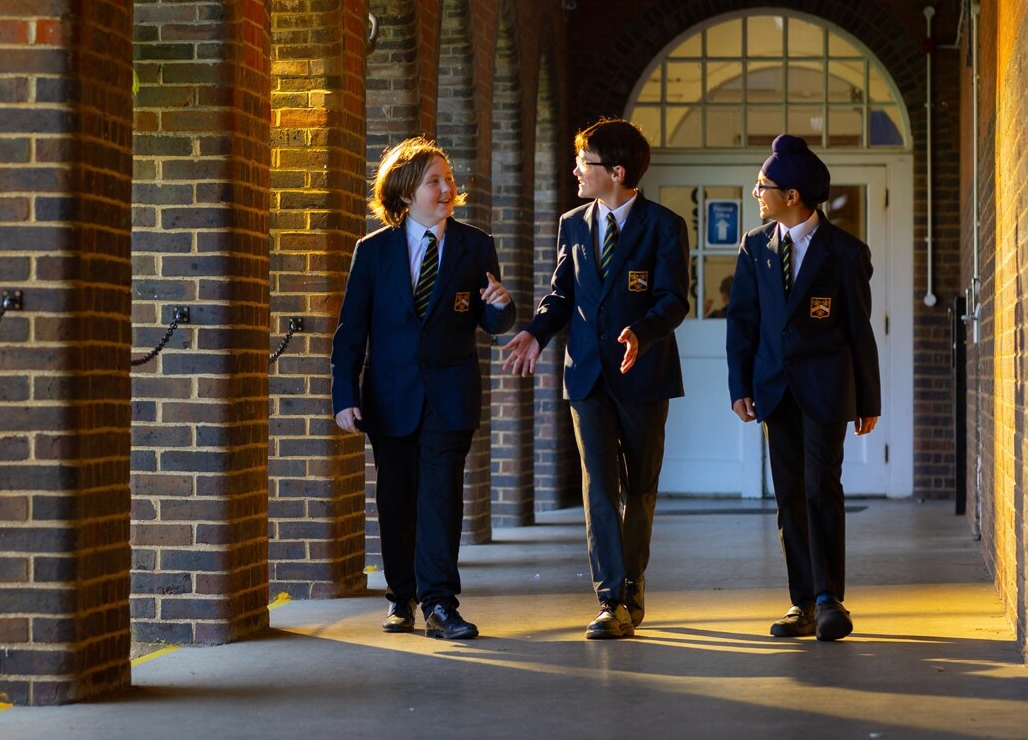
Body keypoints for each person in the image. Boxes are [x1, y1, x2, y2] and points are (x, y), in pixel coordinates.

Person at [502, 118, 689, 639]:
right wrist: (536, 334)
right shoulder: (573, 223)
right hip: (586, 376)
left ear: (617, 171)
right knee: (600, 487)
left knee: (640, 488)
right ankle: (611, 599)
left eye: (585, 163)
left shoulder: (664, 226)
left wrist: (643, 333)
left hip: (644, 374)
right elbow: (562, 294)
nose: (576, 171)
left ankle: (632, 587)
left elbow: (674, 300)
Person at [332, 136, 514, 641]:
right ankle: (400, 597)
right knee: (396, 499)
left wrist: (499, 304)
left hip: (450, 396)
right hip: (388, 397)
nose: (447, 189)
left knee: (439, 498)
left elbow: (494, 320)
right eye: (434, 181)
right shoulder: (372, 252)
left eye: (449, 179)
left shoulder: (475, 244)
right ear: (406, 193)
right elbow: (352, 331)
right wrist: (343, 395)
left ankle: (439, 604)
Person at [725, 134, 881, 642]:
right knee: (788, 494)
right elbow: (742, 323)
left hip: (827, 389)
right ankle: (802, 602)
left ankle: (829, 599)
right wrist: (739, 386)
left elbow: (860, 328)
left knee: (821, 488)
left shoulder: (845, 253)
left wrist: (868, 399)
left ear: (792, 195)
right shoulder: (754, 246)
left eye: (763, 185)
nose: (757, 193)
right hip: (772, 389)